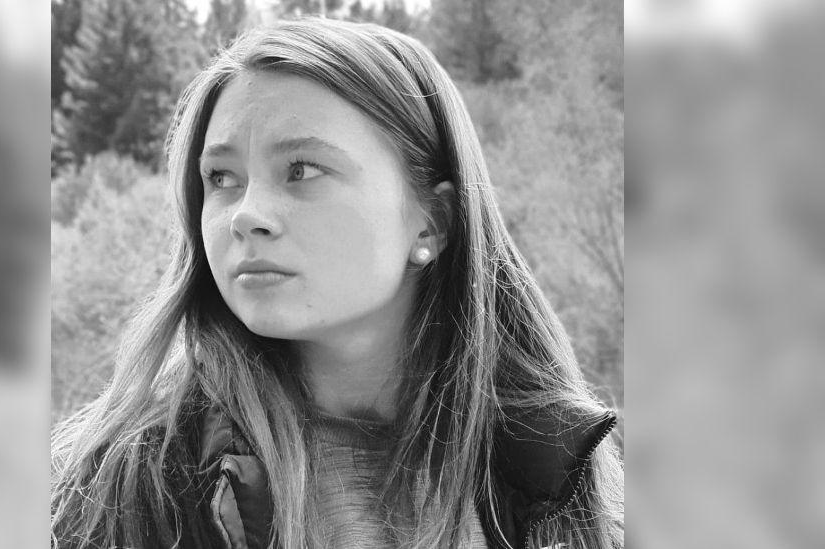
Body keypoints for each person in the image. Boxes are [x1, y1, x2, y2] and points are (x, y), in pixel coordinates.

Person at [51, 18, 623, 549]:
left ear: (433, 222)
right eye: (221, 178)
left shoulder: (553, 470)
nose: (245, 214)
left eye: (301, 170)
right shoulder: (126, 487)